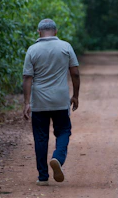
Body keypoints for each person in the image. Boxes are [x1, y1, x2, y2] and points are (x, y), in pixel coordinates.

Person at [22, 19, 80, 186]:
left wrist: (27, 102)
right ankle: (57, 158)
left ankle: (42, 177)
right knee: (63, 131)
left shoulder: (32, 50)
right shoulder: (65, 47)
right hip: (61, 100)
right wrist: (75, 95)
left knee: (40, 137)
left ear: (39, 32)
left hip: (39, 101)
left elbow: (27, 77)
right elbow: (75, 73)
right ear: (55, 31)